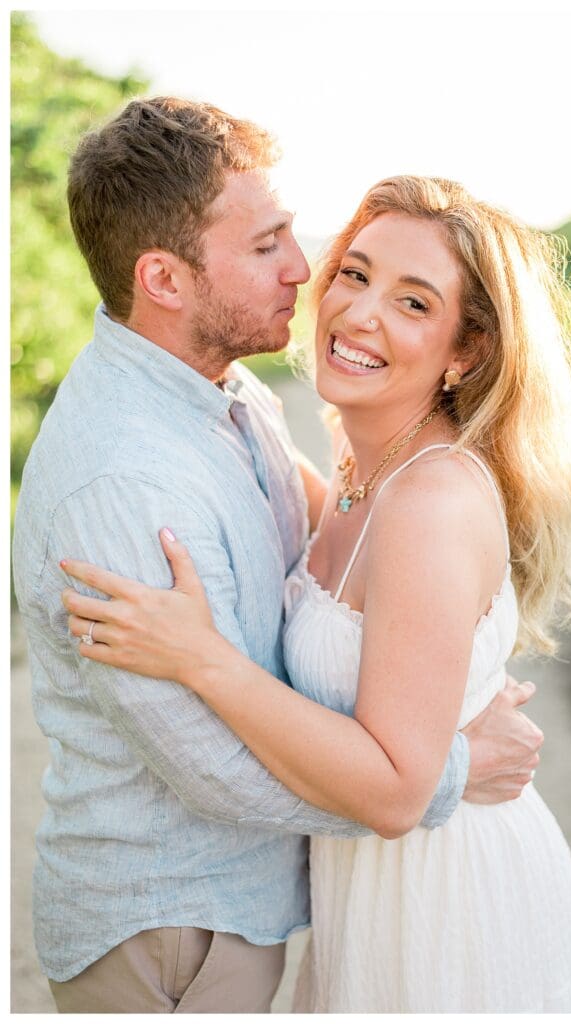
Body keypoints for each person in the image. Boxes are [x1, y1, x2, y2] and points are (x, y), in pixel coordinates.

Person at [12, 99, 543, 1014]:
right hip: (169, 928)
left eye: (412, 300)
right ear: (165, 281)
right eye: (267, 246)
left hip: (381, 902)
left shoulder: (237, 399)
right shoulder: (128, 485)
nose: (310, 275)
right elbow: (212, 766)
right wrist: (451, 767)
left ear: (468, 349)